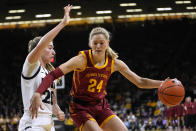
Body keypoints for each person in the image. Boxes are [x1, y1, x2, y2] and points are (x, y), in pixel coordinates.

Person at [29, 26, 172, 131]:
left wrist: (162, 84)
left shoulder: (114, 63)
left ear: (107, 43)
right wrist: (38, 93)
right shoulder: (82, 60)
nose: (98, 46)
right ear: (90, 44)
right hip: (80, 108)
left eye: (101, 43)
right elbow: (53, 74)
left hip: (101, 106)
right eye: (95, 43)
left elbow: (140, 82)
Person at [18, 4, 72, 131]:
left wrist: (58, 112)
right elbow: (40, 44)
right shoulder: (31, 65)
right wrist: (62, 24)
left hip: (49, 122)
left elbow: (53, 105)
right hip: (33, 121)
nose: (53, 52)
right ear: (40, 50)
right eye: (50, 47)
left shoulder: (50, 74)